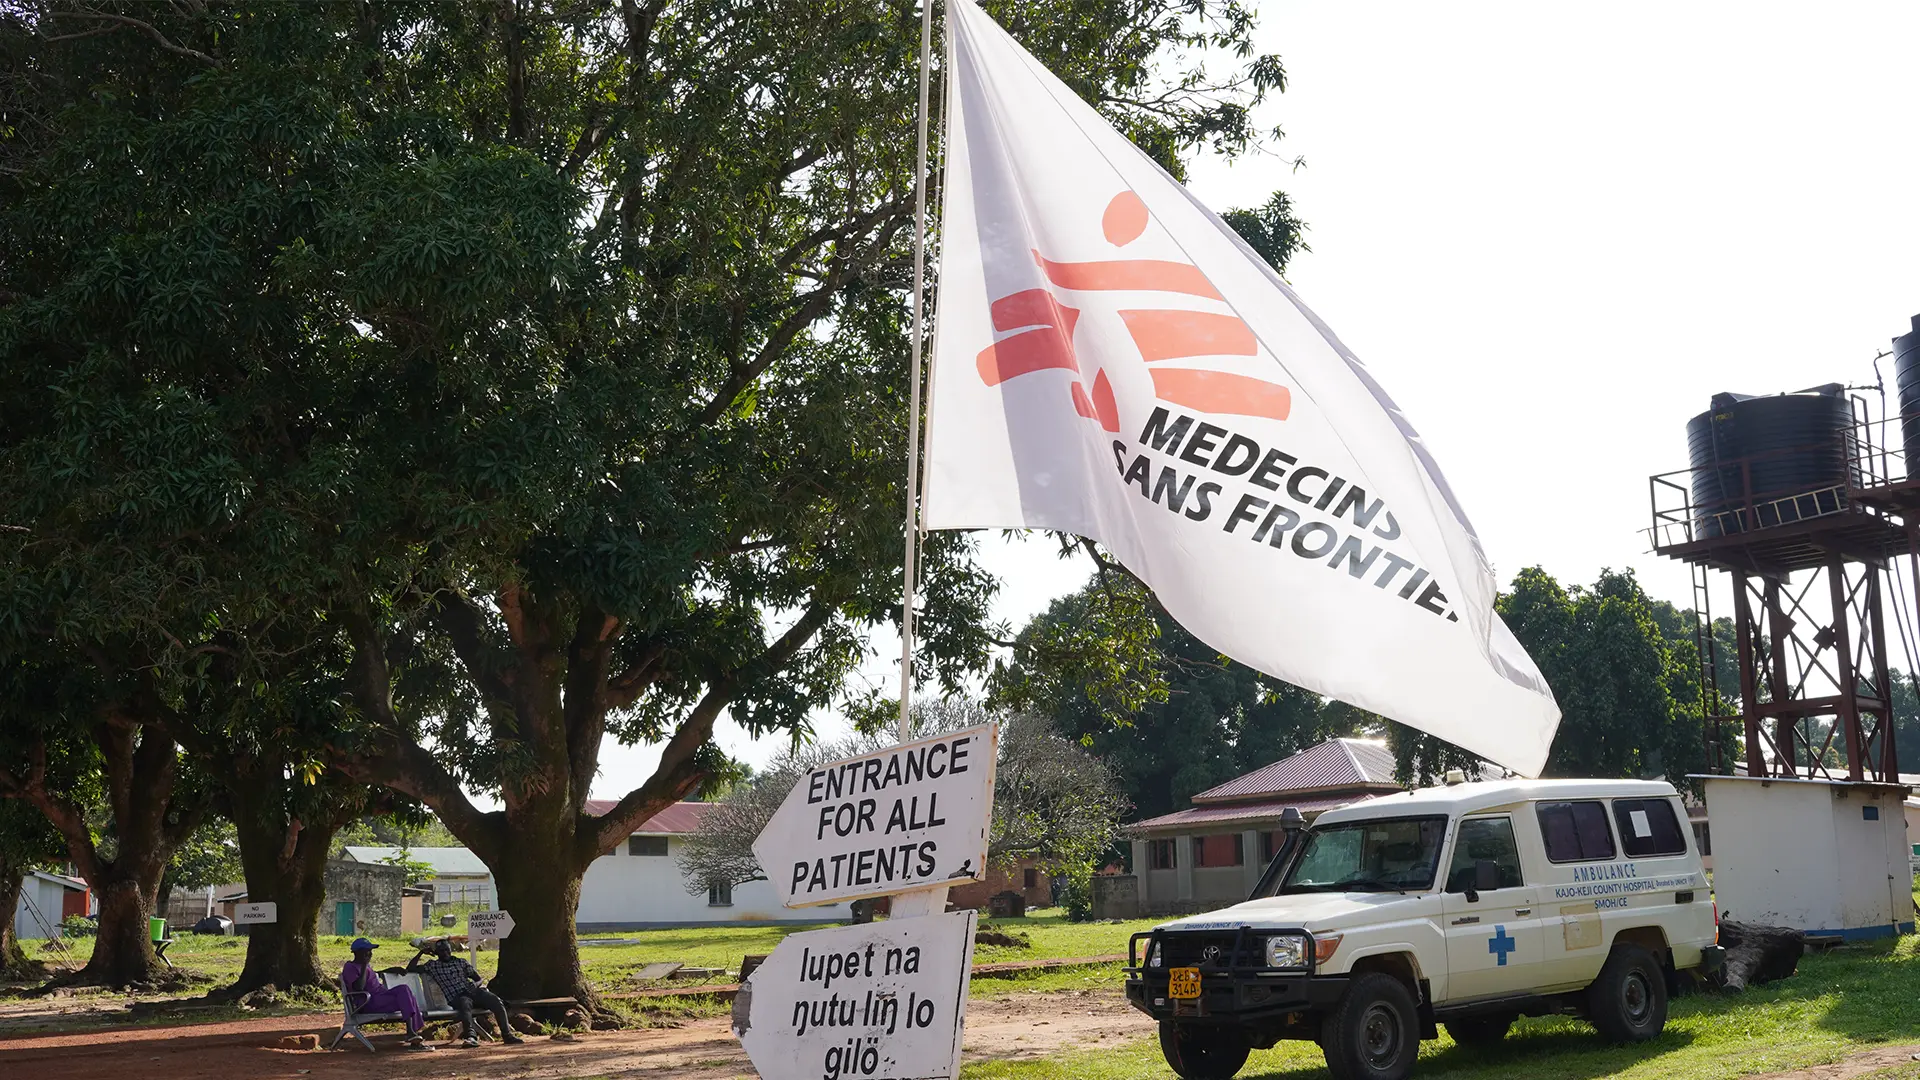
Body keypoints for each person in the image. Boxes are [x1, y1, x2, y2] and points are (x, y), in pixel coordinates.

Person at [411, 938, 525, 1048]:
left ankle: (507, 1035)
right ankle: (471, 1037)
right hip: (457, 996)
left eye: (447, 950)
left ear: (450, 950)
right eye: (441, 951)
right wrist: (421, 953)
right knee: (465, 1005)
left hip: (473, 991)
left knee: (496, 1001)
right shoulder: (433, 965)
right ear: (436, 953)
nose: (445, 953)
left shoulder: (461, 962)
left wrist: (475, 984)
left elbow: (478, 979)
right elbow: (410, 968)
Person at [340, 938, 427, 1048]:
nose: (370, 954)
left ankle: (413, 1034)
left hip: (380, 998)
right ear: (357, 953)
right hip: (367, 1002)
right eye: (366, 951)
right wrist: (364, 965)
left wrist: (391, 969)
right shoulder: (350, 967)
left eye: (370, 951)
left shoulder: (365, 966)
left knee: (407, 995)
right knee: (403, 991)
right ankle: (411, 1032)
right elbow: (359, 987)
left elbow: (373, 975)